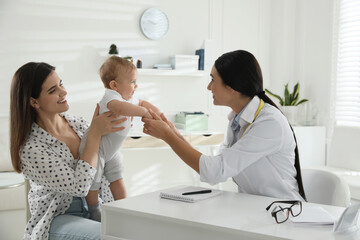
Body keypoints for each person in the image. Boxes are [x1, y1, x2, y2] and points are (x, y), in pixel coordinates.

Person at [142, 50, 307, 201]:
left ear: (231, 87)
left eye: (213, 80)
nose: (208, 87)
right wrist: (172, 131)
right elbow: (218, 164)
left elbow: (215, 172)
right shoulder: (237, 118)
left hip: (284, 211)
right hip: (254, 207)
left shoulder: (270, 123)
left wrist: (168, 136)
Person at [10, 62, 126, 240]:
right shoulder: (31, 149)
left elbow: (108, 162)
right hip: (59, 217)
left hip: (99, 208)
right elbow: (79, 187)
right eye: (52, 90)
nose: (63, 92)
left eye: (61, 84)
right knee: (107, 237)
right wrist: (95, 134)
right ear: (34, 102)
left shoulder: (78, 125)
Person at [79, 56, 161, 221]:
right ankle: (94, 210)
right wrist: (143, 113)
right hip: (97, 148)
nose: (135, 86)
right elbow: (122, 109)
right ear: (114, 85)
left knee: (117, 178)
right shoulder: (110, 98)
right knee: (93, 182)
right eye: (131, 82)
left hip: (113, 150)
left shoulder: (128, 98)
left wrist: (157, 113)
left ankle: (124, 207)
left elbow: (143, 102)